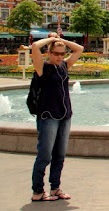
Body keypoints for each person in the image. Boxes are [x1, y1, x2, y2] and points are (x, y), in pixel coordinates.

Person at [30, 33, 84, 202]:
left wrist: (61, 40)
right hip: (48, 116)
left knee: (59, 155)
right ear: (49, 53)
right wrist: (53, 40)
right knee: (45, 155)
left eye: (62, 54)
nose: (60, 57)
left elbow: (79, 49)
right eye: (56, 53)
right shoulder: (42, 68)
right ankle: (38, 191)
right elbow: (35, 47)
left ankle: (55, 188)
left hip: (64, 115)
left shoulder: (64, 66)